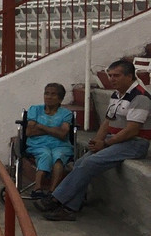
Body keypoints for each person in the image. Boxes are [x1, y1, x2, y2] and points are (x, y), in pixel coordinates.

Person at [37, 59, 151, 221]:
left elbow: (132, 130)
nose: (112, 79)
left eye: (116, 75)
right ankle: (70, 207)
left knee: (90, 163)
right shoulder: (117, 94)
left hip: (134, 143)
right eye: (110, 75)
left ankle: (57, 199)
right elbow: (107, 122)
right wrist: (96, 142)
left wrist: (104, 143)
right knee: (81, 162)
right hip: (117, 141)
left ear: (129, 76)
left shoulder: (140, 97)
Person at [23, 82, 75, 198]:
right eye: (46, 93)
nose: (49, 97)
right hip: (38, 144)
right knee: (45, 154)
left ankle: (53, 192)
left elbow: (62, 134)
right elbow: (29, 132)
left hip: (60, 145)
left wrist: (41, 126)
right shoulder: (35, 109)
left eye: (53, 94)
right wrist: (54, 130)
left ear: (60, 99)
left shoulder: (66, 114)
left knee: (58, 158)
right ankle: (37, 189)